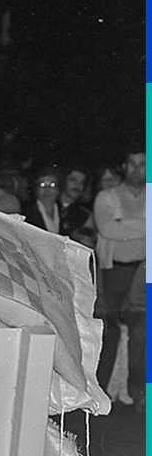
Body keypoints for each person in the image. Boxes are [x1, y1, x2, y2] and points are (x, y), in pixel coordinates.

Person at [93, 149, 146, 401]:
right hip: (113, 272)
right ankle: (97, 393)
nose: (137, 169)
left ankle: (140, 392)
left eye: (143, 165)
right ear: (125, 166)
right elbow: (107, 229)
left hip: (144, 273)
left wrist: (124, 222)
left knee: (142, 330)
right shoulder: (107, 196)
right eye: (132, 164)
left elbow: (118, 227)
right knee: (106, 330)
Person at [57, 165, 95, 248]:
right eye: (73, 180)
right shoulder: (49, 206)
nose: (77, 185)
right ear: (63, 181)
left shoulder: (85, 215)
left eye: (81, 182)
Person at [23, 166, 61, 233]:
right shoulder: (26, 213)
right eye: (42, 184)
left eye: (52, 185)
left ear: (58, 189)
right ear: (36, 188)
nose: (47, 189)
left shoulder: (65, 213)